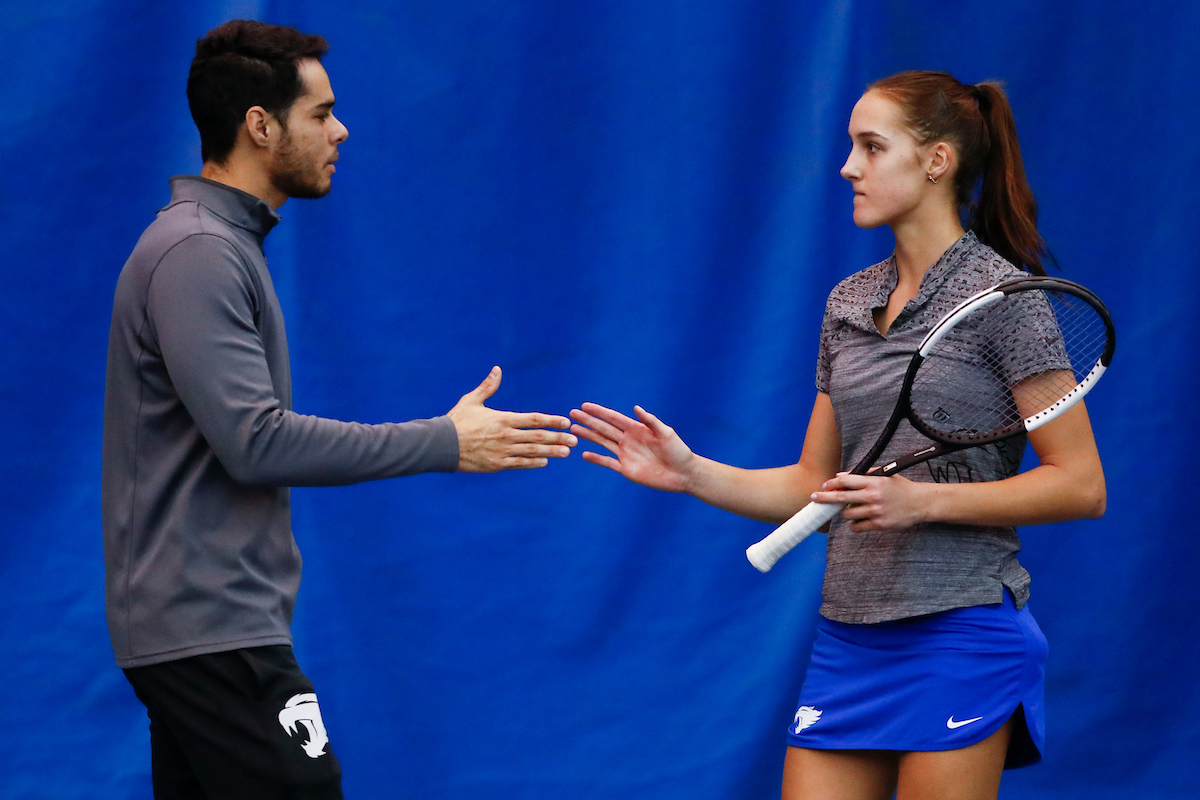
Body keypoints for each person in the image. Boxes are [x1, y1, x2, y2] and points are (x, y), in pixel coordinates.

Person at [570, 70, 1105, 800]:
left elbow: (1081, 484)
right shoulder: (848, 304)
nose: (848, 166)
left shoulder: (1006, 301)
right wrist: (690, 472)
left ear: (937, 160)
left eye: (871, 147)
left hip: (961, 631)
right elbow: (810, 485)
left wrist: (922, 503)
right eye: (852, 146)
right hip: (849, 634)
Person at [102, 19, 576, 800]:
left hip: (203, 630)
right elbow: (255, 442)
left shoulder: (219, 245)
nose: (341, 130)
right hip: (210, 630)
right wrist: (445, 441)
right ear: (261, 125)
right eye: (321, 113)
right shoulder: (198, 252)